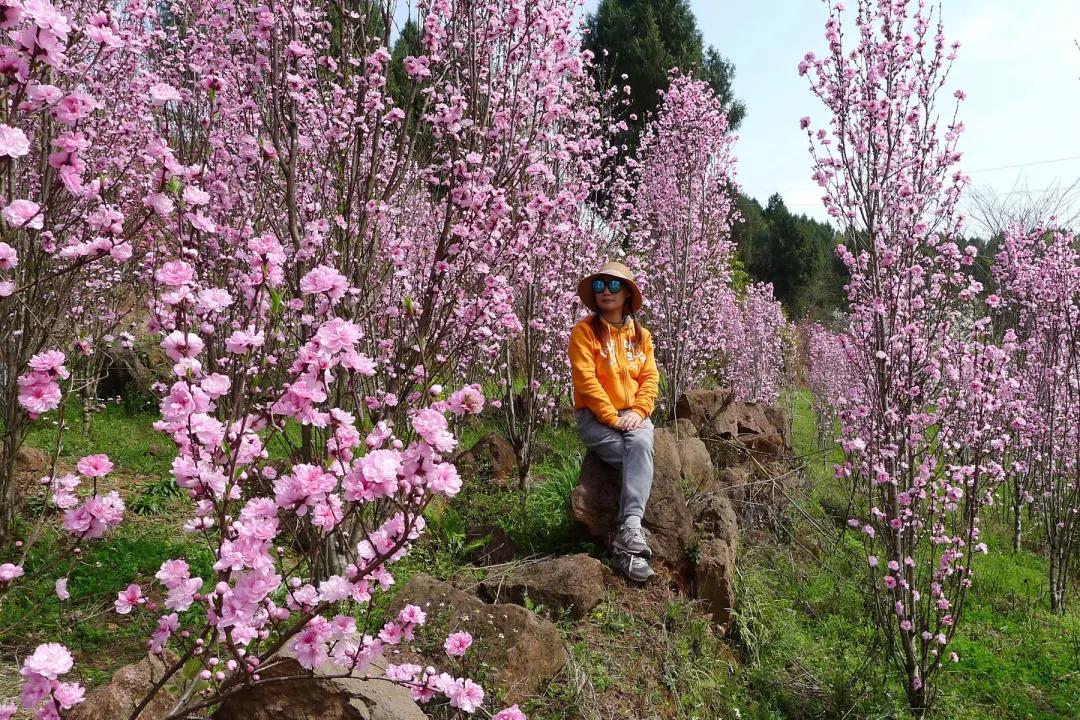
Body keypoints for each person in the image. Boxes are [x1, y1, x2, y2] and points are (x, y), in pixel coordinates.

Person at [568, 261, 659, 582]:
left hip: (633, 415)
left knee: (641, 443)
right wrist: (611, 417)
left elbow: (649, 378)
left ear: (627, 293)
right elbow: (585, 380)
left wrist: (638, 411)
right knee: (639, 459)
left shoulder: (641, 336)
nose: (606, 291)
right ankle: (629, 539)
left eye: (614, 285)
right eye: (599, 285)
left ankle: (627, 536)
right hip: (595, 418)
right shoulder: (584, 332)